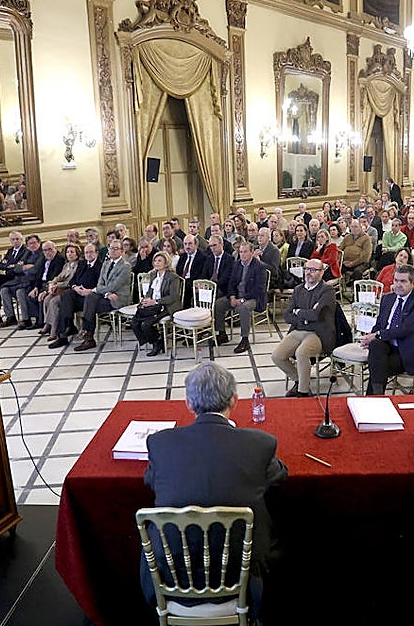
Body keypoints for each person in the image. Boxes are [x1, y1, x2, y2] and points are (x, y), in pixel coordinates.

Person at [143, 362, 288, 605]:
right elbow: (279, 475)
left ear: (188, 403)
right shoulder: (258, 444)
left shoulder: (161, 444)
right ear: (234, 400)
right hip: (242, 571)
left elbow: (151, 481)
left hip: (174, 572)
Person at [361, 264, 414, 395]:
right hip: (386, 347)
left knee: (377, 365)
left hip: (407, 352)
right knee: (376, 347)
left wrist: (377, 335)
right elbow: (379, 325)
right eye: (396, 280)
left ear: (413, 282)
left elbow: (405, 329)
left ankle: (374, 398)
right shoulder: (388, 298)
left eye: (403, 281)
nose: (398, 285)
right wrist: (370, 336)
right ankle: (377, 397)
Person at [272, 259, 336, 397]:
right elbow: (287, 316)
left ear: (322, 272)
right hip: (298, 330)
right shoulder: (298, 289)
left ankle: (303, 392)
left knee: (302, 353)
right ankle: (299, 380)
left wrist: (299, 312)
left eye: (313, 270)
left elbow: (317, 315)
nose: (309, 273)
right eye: (307, 269)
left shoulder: (327, 290)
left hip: (318, 333)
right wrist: (306, 315)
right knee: (277, 356)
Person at [70, 238, 132, 352]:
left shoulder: (125, 266)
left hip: (118, 299)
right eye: (110, 248)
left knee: (90, 302)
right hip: (107, 296)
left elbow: (114, 286)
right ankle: (88, 336)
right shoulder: (106, 263)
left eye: (115, 248)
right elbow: (100, 283)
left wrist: (102, 291)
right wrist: (106, 293)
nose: (112, 251)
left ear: (122, 251)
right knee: (90, 299)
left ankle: (88, 335)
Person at [213, 241, 268, 354]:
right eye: (241, 252)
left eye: (245, 252)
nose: (242, 254)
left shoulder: (260, 267)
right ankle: (222, 334)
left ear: (252, 253)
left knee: (243, 308)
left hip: (253, 298)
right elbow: (232, 283)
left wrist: (242, 300)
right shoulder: (237, 264)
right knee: (218, 304)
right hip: (237, 295)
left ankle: (245, 339)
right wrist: (232, 297)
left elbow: (259, 290)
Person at [50, 243, 103, 348]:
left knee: (69, 302)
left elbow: (101, 284)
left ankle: (74, 331)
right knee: (66, 295)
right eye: (86, 252)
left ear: (96, 253)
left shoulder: (101, 266)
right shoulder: (82, 263)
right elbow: (72, 280)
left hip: (91, 295)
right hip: (78, 293)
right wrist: (75, 287)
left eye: (91, 252)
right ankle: (63, 335)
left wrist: (88, 290)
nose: (88, 254)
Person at [130, 251, 181, 357]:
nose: (156, 263)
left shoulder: (173, 277)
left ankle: (157, 343)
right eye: (155, 261)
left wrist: (156, 301)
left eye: (159, 261)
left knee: (146, 325)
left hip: (167, 306)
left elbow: (173, 297)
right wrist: (146, 300)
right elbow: (150, 291)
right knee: (134, 322)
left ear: (166, 262)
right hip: (154, 305)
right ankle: (155, 339)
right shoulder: (153, 274)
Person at [0, 234, 43, 327]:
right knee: (4, 290)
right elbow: (17, 268)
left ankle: (26, 319)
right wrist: (25, 267)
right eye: (30, 244)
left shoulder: (42, 254)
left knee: (20, 292)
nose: (32, 245)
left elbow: (36, 270)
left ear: (39, 243)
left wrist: (23, 267)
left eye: (34, 243)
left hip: (32, 281)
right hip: (21, 279)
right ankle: (10, 317)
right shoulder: (27, 253)